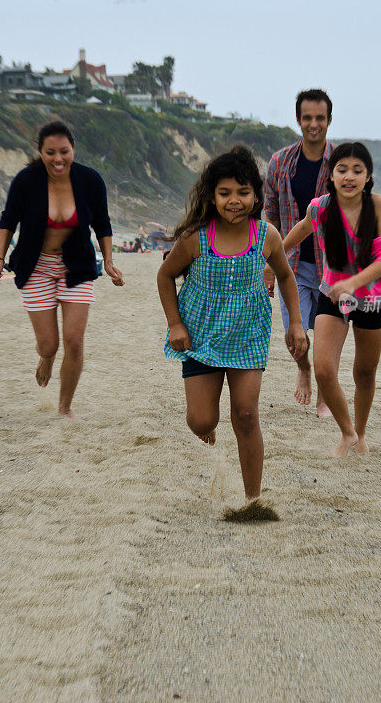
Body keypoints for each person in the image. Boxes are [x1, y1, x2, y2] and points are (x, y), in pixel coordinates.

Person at [157, 146, 307, 505]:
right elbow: (165, 275)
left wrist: (296, 323)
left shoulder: (266, 235)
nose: (234, 201)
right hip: (200, 336)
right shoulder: (195, 236)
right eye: (225, 193)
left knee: (244, 413)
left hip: (248, 335)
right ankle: (206, 428)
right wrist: (175, 324)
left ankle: (253, 499)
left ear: (256, 196)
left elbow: (286, 278)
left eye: (243, 193)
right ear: (212, 196)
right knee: (200, 420)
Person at [0, 120, 124, 417]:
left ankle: (65, 408)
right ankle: (46, 358)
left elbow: (102, 224)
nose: (58, 159)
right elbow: (8, 220)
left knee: (74, 342)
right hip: (36, 266)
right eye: (50, 152)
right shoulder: (26, 180)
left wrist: (109, 261)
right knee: (49, 344)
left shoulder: (90, 180)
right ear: (40, 151)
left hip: (76, 266)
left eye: (64, 151)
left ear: (74, 149)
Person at [282, 142, 381, 458]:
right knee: (324, 370)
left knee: (364, 373)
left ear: (368, 176)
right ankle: (347, 434)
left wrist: (353, 283)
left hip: (370, 299)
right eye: (342, 169)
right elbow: (301, 229)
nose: (349, 176)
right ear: (331, 175)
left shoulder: (380, 206)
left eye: (357, 170)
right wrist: (273, 259)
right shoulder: (320, 208)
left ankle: (361, 434)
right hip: (331, 295)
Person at [264, 88, 336, 416]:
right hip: (290, 264)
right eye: (307, 117)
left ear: (329, 120)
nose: (313, 124)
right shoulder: (280, 162)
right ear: (298, 120)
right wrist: (268, 263)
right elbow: (272, 217)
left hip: (331, 266)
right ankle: (303, 369)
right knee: (296, 338)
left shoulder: (340, 164)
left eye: (320, 118)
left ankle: (324, 385)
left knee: (325, 337)